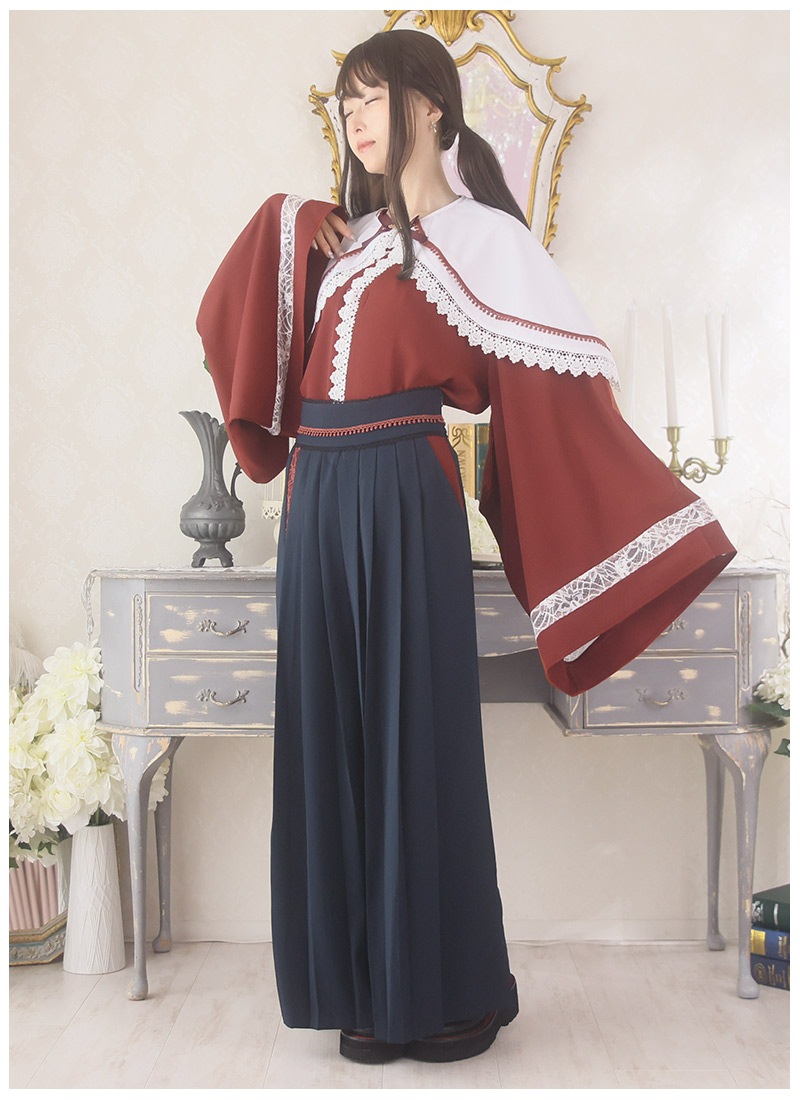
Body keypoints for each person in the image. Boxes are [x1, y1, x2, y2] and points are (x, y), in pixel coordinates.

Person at [197, 29, 736, 1064]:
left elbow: (557, 405)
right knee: (329, 732)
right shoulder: (342, 243)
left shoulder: (488, 241)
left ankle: (439, 994)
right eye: (345, 103)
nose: (355, 120)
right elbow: (236, 329)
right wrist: (288, 218)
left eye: (373, 98)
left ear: (432, 106)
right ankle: (356, 989)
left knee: (414, 735)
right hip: (317, 497)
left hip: (405, 493)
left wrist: (656, 523)